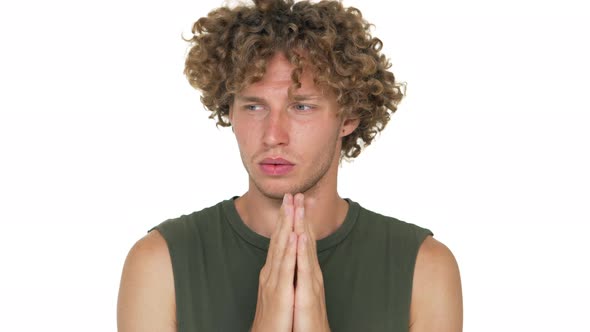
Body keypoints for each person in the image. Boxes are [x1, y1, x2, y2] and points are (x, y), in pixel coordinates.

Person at [117, 0, 463, 331]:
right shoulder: (160, 263)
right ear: (230, 112)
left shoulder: (423, 268)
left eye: (301, 107)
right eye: (254, 107)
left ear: (349, 116)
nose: (273, 135)